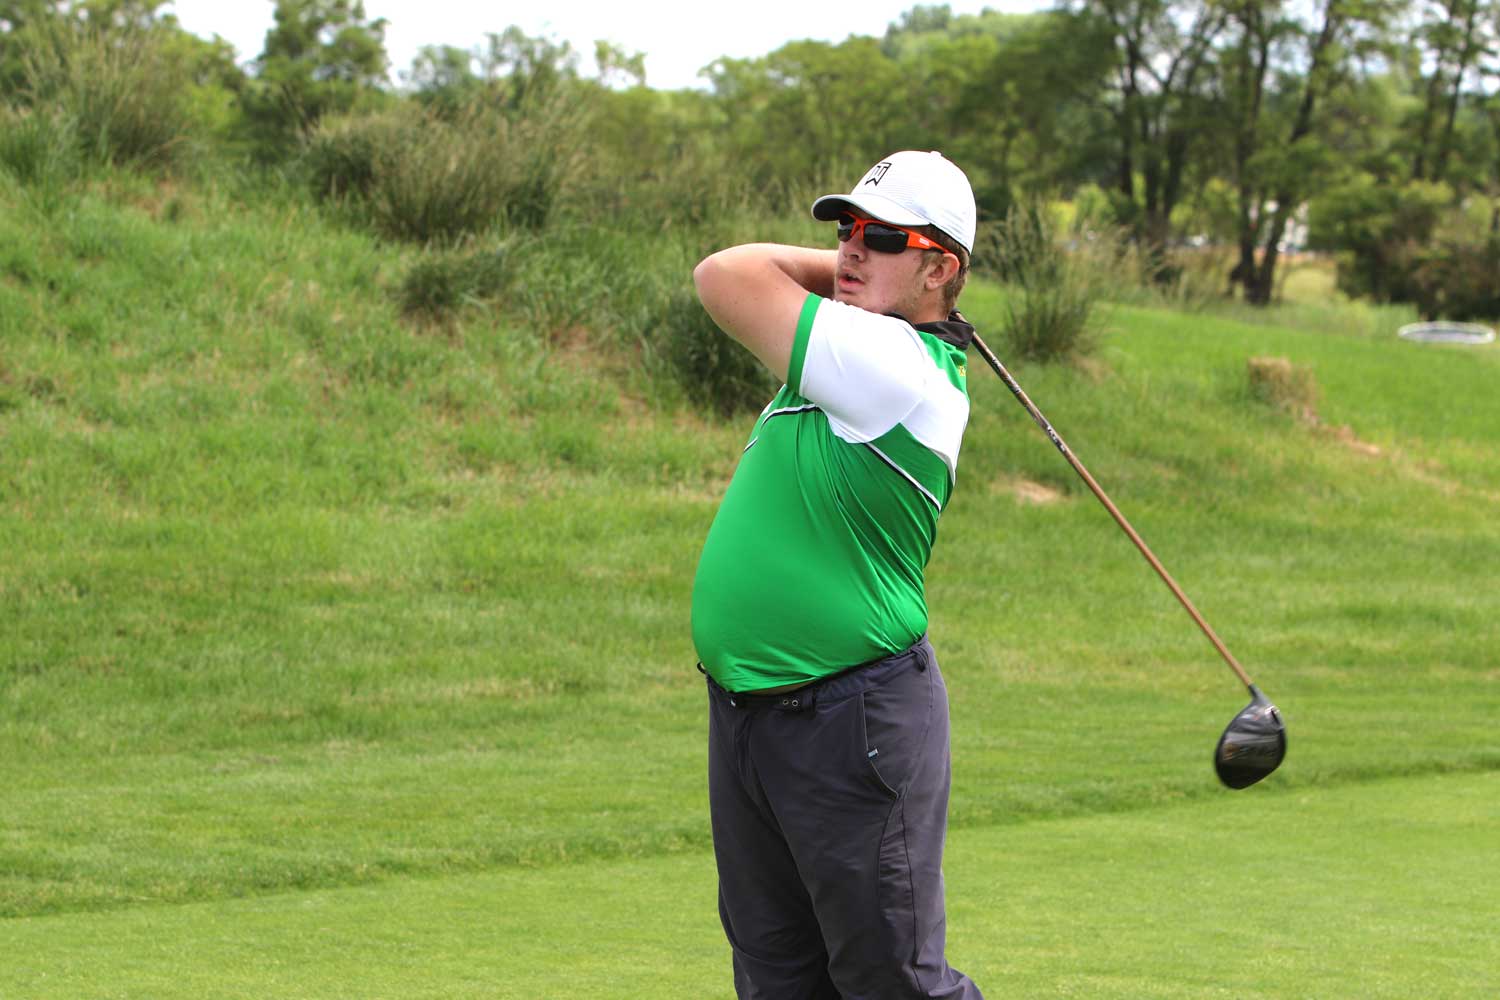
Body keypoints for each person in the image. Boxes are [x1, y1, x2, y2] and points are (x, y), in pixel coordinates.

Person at [690, 150, 985, 999]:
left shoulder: (892, 364)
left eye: (884, 237)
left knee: (890, 983)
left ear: (941, 269)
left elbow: (726, 274)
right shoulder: (861, 346)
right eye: (848, 229)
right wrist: (878, 270)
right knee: (780, 978)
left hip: (849, 719)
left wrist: (857, 279)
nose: (851, 247)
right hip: (753, 715)